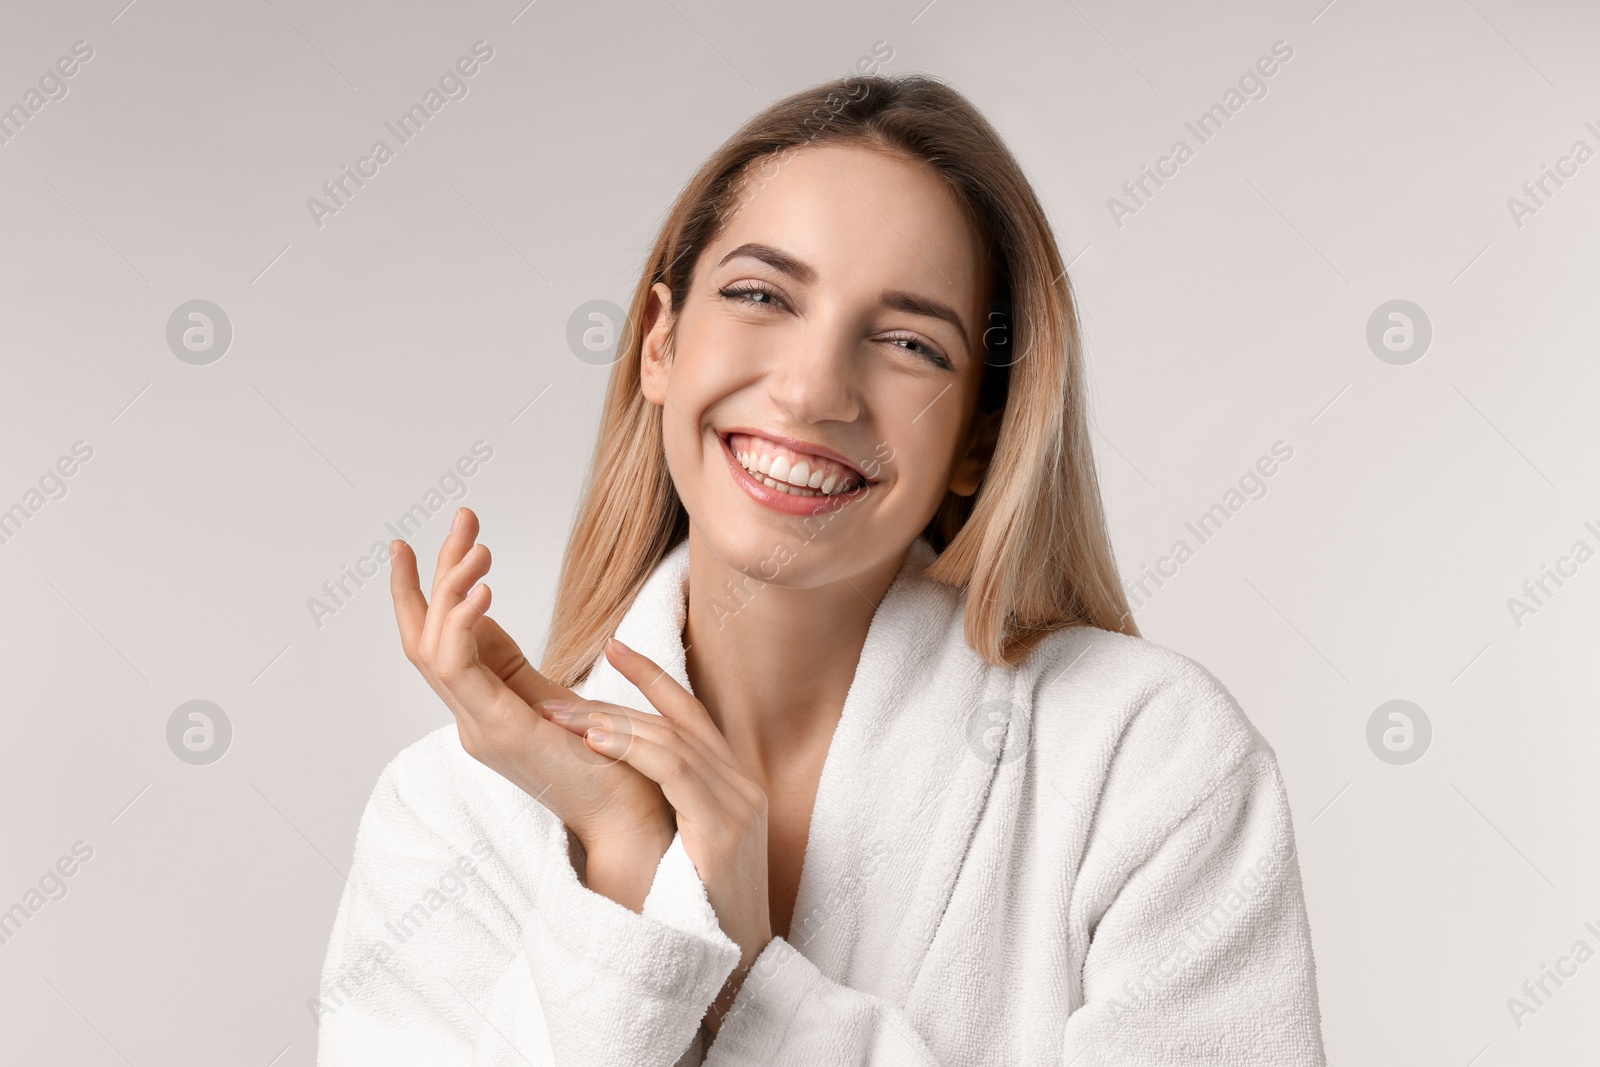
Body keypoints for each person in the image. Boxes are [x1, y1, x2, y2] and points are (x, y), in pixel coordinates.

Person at [314, 73, 1327, 1066]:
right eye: (760, 294)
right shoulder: (454, 816)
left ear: (981, 434)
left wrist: (746, 981)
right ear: (659, 344)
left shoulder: (1146, 767)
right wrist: (625, 860)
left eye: (908, 343)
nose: (809, 390)